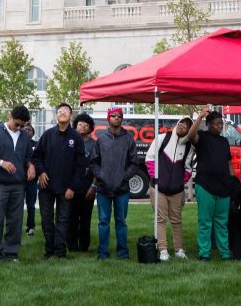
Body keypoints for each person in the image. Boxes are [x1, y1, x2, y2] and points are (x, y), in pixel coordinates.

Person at [0, 104, 36, 262]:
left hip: (18, 185)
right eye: (16, 124)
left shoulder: (24, 136)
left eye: (22, 126)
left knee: (15, 220)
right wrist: (0, 162)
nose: (19, 128)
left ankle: (11, 253)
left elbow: (28, 157)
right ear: (9, 117)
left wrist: (30, 166)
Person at [33, 103, 86, 259]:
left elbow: (81, 164)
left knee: (63, 220)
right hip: (46, 186)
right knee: (46, 219)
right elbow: (36, 157)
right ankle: (49, 250)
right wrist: (41, 171)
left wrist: (72, 186)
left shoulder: (76, 137)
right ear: (56, 115)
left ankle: (60, 251)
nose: (62, 113)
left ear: (71, 115)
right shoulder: (47, 135)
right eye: (60, 111)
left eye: (66, 111)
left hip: (67, 187)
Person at [90, 107, 140, 260]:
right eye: (113, 116)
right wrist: (101, 175)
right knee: (103, 222)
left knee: (121, 222)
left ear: (122, 119)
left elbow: (134, 163)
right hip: (103, 188)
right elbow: (94, 162)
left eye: (119, 116)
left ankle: (123, 253)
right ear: (108, 119)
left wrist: (124, 177)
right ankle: (103, 253)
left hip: (122, 189)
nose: (117, 118)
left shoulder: (128, 139)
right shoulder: (101, 139)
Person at [187, 108, 236, 261]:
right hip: (205, 185)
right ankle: (204, 253)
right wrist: (200, 116)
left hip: (223, 187)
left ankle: (225, 253)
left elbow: (228, 162)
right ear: (208, 125)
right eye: (217, 124)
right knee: (205, 221)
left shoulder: (224, 141)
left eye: (221, 123)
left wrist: (233, 179)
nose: (220, 126)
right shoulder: (202, 136)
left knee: (222, 222)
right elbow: (190, 135)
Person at [146, 117, 194, 260]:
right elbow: (150, 158)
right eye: (181, 123)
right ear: (176, 124)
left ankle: (179, 250)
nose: (182, 127)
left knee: (177, 220)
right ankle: (163, 250)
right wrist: (155, 179)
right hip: (158, 188)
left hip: (177, 191)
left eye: (187, 126)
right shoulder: (162, 138)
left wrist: (180, 183)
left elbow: (188, 168)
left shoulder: (189, 147)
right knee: (160, 219)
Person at [67, 112, 97, 252]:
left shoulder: (94, 144)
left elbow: (97, 166)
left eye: (86, 124)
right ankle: (72, 245)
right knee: (71, 218)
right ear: (75, 126)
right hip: (72, 187)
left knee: (86, 219)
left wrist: (93, 186)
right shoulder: (69, 142)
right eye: (80, 124)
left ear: (90, 128)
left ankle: (84, 246)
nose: (83, 126)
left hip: (88, 187)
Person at [22, 121, 38, 236]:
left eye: (30, 130)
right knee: (17, 205)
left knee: (31, 205)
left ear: (33, 133)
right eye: (26, 129)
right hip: (19, 179)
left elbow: (38, 160)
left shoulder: (36, 145)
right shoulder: (18, 144)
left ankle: (31, 226)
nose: (28, 131)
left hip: (32, 180)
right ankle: (16, 227)